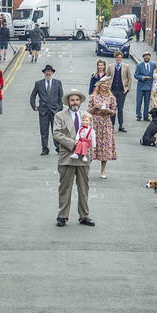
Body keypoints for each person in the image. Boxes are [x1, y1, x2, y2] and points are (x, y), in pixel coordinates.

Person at [54, 89, 95, 227]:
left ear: (80, 101)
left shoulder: (87, 115)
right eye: (72, 100)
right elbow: (57, 134)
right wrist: (74, 144)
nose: (75, 102)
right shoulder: (60, 116)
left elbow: (91, 135)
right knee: (65, 188)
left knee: (84, 188)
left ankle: (84, 216)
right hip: (67, 157)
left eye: (77, 100)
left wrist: (91, 151)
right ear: (68, 102)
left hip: (84, 157)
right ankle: (62, 216)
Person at [30, 64, 64, 155]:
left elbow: (61, 98)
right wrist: (34, 106)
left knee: (56, 131)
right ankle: (45, 149)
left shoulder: (58, 83)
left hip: (55, 111)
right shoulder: (38, 83)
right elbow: (32, 96)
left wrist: (60, 109)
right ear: (44, 73)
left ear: (52, 73)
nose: (48, 73)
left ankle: (58, 148)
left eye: (50, 71)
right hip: (43, 111)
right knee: (44, 131)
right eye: (46, 71)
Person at [88, 76, 118, 178]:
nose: (105, 85)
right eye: (103, 83)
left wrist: (108, 111)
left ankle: (103, 171)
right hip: (95, 122)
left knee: (105, 146)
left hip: (106, 123)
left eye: (107, 84)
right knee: (91, 145)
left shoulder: (111, 98)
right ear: (99, 85)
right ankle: (86, 169)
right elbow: (88, 111)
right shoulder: (93, 96)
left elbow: (114, 112)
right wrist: (94, 107)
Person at [109, 51, 132, 132]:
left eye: (120, 57)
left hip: (122, 91)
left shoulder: (126, 66)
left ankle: (121, 125)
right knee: (113, 108)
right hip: (112, 90)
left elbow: (129, 78)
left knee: (120, 109)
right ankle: (112, 125)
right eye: (117, 57)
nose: (119, 59)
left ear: (122, 58)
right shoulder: (110, 66)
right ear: (115, 58)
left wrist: (128, 88)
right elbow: (108, 78)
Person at [133, 52, 155, 122]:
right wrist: (142, 77)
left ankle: (146, 116)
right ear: (143, 57)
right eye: (145, 56)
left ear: (150, 57)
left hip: (149, 86)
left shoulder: (153, 65)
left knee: (147, 102)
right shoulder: (139, 65)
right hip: (141, 86)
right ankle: (138, 115)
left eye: (148, 56)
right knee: (139, 101)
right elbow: (136, 75)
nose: (147, 57)